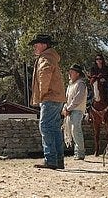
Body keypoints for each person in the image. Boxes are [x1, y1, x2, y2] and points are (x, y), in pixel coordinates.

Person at [29, 34, 67, 170]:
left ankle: (50, 159)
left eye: (36, 44)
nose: (35, 47)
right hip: (57, 97)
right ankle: (58, 160)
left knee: (45, 126)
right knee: (54, 128)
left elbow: (44, 75)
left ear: (44, 45)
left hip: (49, 97)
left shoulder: (45, 58)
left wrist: (42, 94)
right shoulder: (51, 57)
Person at [62, 64, 87, 160]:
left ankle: (80, 153)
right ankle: (77, 153)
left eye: (72, 72)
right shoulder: (70, 85)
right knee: (72, 131)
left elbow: (78, 98)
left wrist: (68, 108)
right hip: (71, 109)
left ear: (77, 73)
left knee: (75, 130)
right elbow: (67, 98)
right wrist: (65, 108)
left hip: (77, 110)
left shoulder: (80, 84)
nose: (70, 73)